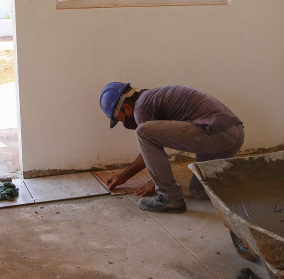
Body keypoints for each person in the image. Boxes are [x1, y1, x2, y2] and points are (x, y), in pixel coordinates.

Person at [99, 82, 244, 213]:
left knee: (143, 132)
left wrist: (154, 182)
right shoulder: (151, 98)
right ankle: (247, 186)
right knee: (199, 190)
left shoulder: (141, 107)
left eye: (121, 119)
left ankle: (169, 197)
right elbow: (154, 146)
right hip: (233, 132)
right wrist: (153, 180)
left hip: (215, 133)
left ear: (126, 107)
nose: (125, 124)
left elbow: (148, 145)